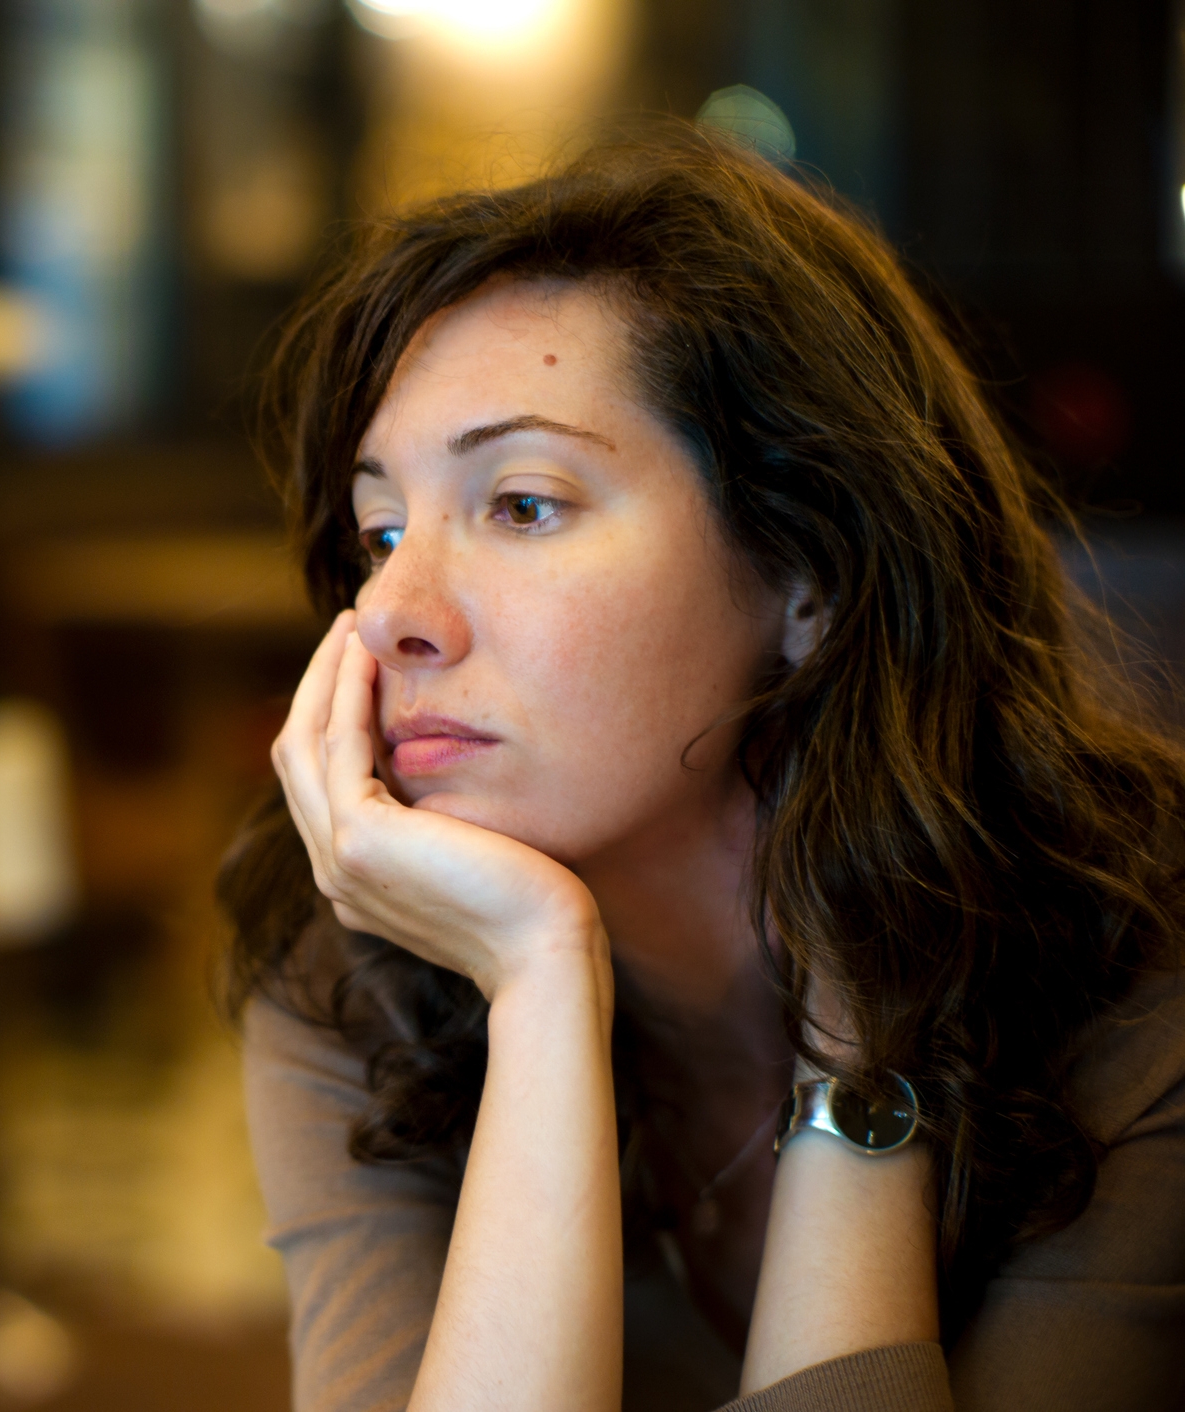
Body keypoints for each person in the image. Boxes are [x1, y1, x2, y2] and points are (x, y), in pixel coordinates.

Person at [219, 128, 1185, 1412]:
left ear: (811, 576)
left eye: (520, 503)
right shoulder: (353, 976)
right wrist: (539, 983)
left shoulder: (1137, 980)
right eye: (379, 529)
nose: (395, 607)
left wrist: (857, 1042)